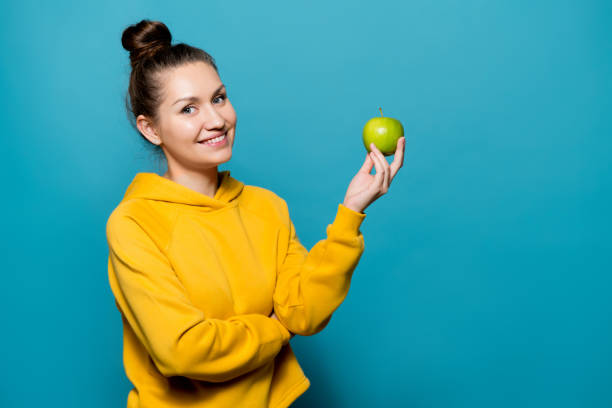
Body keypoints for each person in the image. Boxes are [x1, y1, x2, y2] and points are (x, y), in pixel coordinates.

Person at [106, 19, 405, 408]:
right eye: (188, 109)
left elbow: (303, 314)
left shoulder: (267, 206)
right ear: (151, 129)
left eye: (219, 98)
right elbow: (182, 350)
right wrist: (275, 331)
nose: (215, 120)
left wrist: (350, 214)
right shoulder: (134, 224)